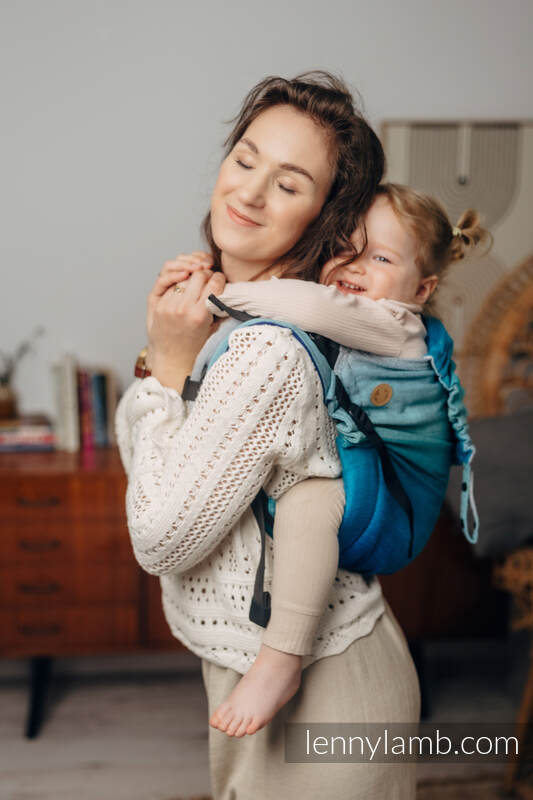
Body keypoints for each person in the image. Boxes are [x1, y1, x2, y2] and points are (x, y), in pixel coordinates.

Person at [115, 73, 420, 799]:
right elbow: (159, 476)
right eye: (245, 159)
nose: (248, 193)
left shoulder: (267, 349)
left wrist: (166, 369)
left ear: (326, 218)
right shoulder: (228, 318)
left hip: (330, 683)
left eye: (287, 184)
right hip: (249, 667)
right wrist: (169, 358)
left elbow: (158, 537)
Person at [194, 182, 490, 739]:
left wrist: (219, 290)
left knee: (309, 499)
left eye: (380, 258)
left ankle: (281, 660)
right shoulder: (368, 320)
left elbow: (309, 304)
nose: (354, 266)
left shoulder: (393, 324)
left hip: (393, 510)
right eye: (344, 247)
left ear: (421, 289)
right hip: (370, 485)